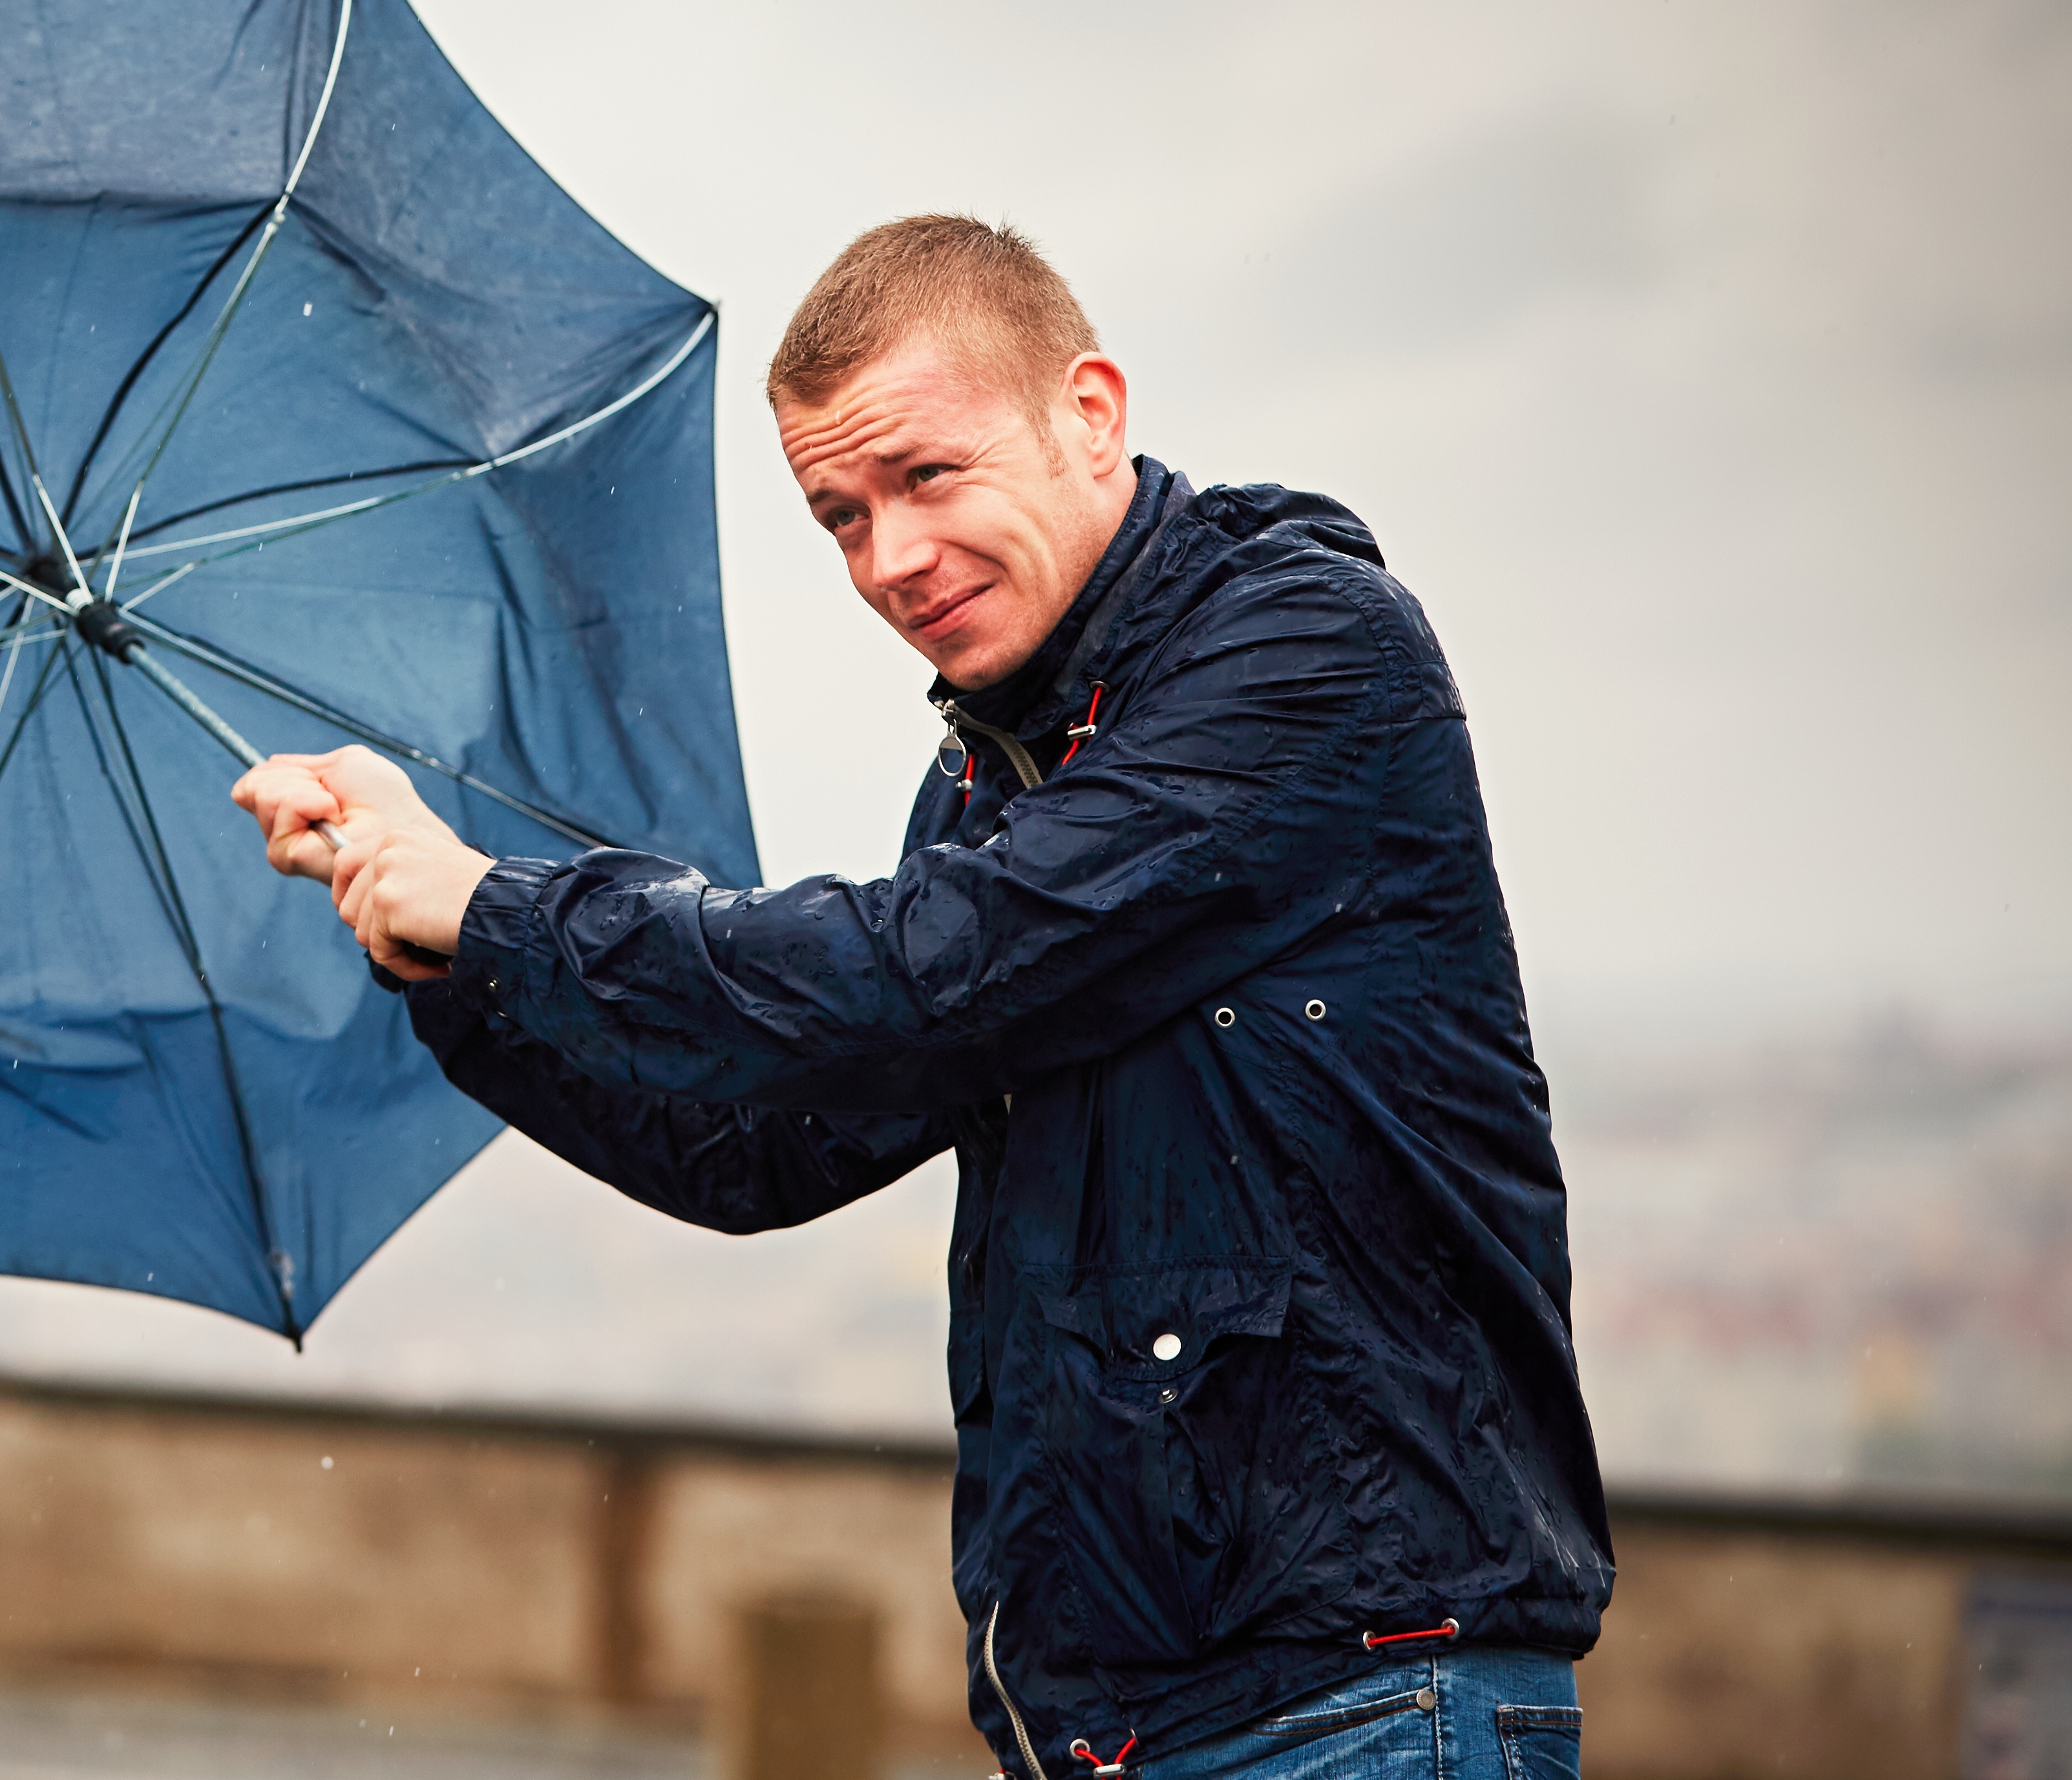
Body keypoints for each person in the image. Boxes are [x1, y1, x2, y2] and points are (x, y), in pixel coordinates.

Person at [231, 215, 1612, 1779]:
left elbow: (919, 973)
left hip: (1364, 1707)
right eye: (840, 515)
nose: (886, 560)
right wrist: (449, 961)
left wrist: (498, 903)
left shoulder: (1310, 652)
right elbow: (764, 1145)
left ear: (1089, 413)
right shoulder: (993, 783)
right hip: (1115, 1728)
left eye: (927, 476)